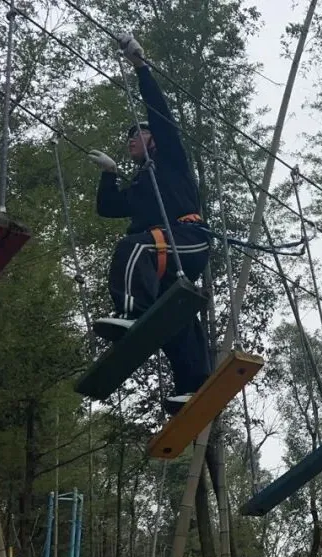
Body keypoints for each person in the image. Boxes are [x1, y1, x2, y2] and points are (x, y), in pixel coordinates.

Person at [86, 33, 211, 412]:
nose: (130, 140)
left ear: (154, 139)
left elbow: (160, 113)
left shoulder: (171, 159)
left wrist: (141, 67)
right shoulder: (142, 184)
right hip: (165, 253)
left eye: (137, 134)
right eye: (127, 137)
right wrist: (109, 174)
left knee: (134, 247)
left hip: (188, 236)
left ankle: (130, 311)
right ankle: (194, 384)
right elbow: (109, 208)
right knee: (174, 318)